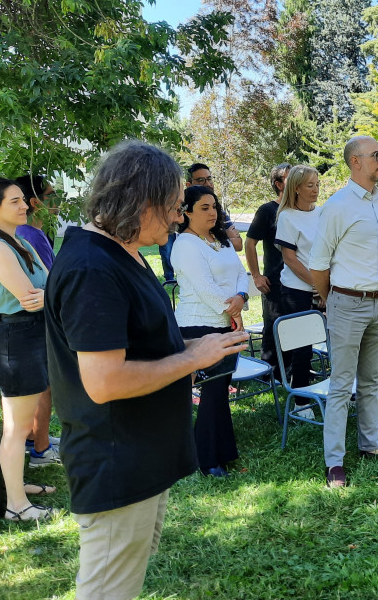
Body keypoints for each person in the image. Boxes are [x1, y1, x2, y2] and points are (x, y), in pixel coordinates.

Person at [45, 141, 248, 599]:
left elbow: (137, 342)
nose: (179, 217)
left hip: (140, 455)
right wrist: (192, 359)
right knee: (107, 591)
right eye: (175, 207)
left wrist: (194, 344)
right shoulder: (92, 268)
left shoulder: (123, 252)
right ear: (141, 201)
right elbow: (104, 381)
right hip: (116, 460)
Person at [309, 135, 378, 489]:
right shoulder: (337, 206)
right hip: (346, 303)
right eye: (376, 156)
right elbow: (318, 265)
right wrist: (333, 299)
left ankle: (371, 445)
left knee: (370, 380)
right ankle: (334, 462)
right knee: (341, 385)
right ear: (355, 161)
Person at [0, 178, 58, 522]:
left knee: (20, 425)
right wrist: (52, 293)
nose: (25, 205)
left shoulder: (19, 240)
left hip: (30, 336)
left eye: (23, 200)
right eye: (15, 202)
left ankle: (17, 486)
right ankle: (16, 505)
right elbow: (30, 297)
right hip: (13, 339)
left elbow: (51, 285)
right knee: (16, 428)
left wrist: (51, 293)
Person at [171, 185, 249, 477]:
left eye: (214, 206)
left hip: (227, 321)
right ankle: (207, 460)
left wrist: (241, 297)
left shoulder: (220, 240)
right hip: (200, 325)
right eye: (204, 207)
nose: (212, 212)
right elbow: (205, 289)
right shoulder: (186, 246)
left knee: (219, 391)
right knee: (212, 390)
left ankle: (223, 450)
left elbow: (241, 273)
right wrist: (234, 310)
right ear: (186, 212)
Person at [13, 174, 61, 460]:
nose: (57, 202)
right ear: (35, 202)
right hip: (36, 323)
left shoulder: (30, 234)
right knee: (44, 386)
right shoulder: (31, 236)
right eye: (52, 195)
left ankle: (35, 437)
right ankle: (41, 447)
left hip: (30, 323)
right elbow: (49, 284)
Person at [274, 165, 322, 419]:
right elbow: (290, 259)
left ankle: (333, 393)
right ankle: (300, 401)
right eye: (310, 185)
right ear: (296, 188)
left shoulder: (322, 213)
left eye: (317, 184)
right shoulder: (287, 217)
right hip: (297, 290)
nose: (315, 190)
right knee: (302, 347)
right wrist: (316, 285)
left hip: (324, 286)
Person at [245, 162, 292, 371]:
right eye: (291, 178)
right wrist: (256, 275)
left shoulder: (303, 210)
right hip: (274, 282)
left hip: (300, 282)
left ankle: (293, 371)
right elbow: (250, 243)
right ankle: (269, 373)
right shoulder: (267, 210)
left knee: (297, 327)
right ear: (278, 184)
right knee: (274, 328)